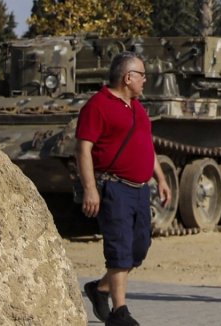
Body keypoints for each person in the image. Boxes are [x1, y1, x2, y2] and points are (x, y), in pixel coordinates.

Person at [76, 51, 172, 326]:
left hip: (141, 190)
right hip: (114, 188)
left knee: (139, 248)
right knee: (119, 248)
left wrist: (161, 179)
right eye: (142, 75)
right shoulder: (98, 105)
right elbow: (83, 148)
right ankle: (120, 312)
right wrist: (90, 188)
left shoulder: (137, 107)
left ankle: (100, 288)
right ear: (127, 77)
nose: (145, 80)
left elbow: (147, 146)